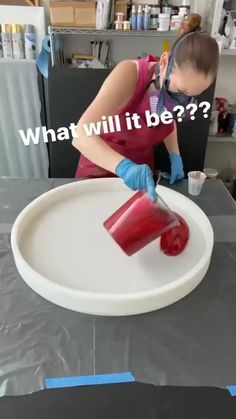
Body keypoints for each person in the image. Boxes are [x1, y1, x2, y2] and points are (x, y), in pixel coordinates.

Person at [72, 15, 219, 202]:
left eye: (192, 96)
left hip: (141, 175)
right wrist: (124, 168)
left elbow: (168, 118)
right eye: (180, 91)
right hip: (101, 170)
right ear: (165, 62)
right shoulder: (128, 74)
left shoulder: (174, 92)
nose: (181, 102)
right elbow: (80, 135)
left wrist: (175, 155)